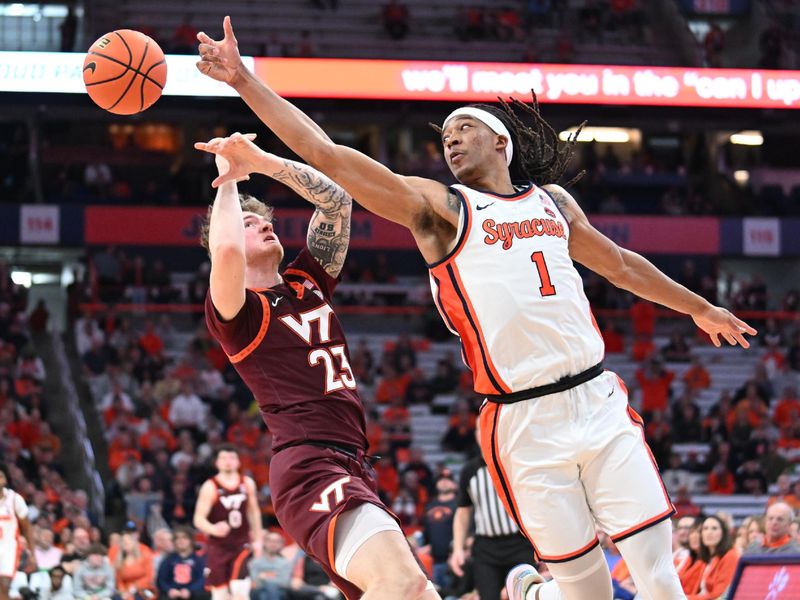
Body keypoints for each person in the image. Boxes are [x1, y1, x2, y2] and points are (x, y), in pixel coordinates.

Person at [195, 17, 756, 600]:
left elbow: (620, 264)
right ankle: (535, 594)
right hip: (521, 418)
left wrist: (700, 308)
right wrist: (243, 81)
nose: (452, 140)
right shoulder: (443, 210)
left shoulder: (554, 202)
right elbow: (328, 157)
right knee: (588, 593)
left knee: (661, 580)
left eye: (465, 129)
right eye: (445, 138)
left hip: (596, 397)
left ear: (501, 142)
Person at [196, 128, 439, 600]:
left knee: (421, 594)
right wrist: (227, 178)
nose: (265, 225)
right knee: (403, 583)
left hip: (350, 462)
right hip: (309, 466)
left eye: (265, 220)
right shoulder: (238, 314)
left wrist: (263, 162)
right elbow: (224, 250)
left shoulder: (306, 282)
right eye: (249, 222)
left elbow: (337, 203)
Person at [449, 431, 534, 600]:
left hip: (519, 543)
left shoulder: (514, 462)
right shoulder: (470, 470)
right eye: (480, 429)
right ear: (476, 435)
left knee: (524, 595)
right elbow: (463, 511)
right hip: (486, 548)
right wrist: (458, 548)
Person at [193, 445, 263, 600]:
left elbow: (253, 512)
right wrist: (212, 528)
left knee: (240, 592)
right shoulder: (210, 486)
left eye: (232, 458)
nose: (228, 462)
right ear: (217, 463)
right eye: (223, 458)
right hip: (218, 547)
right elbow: (198, 519)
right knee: (220, 595)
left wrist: (258, 539)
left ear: (238, 462)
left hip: (241, 544)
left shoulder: (247, 483)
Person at [0, 464, 36, 600]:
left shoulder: (15, 499)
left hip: (8, 550)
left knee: (3, 586)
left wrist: (32, 554)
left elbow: (27, 529)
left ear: (5, 480)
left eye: (1, 476)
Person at [686, 516, 739, 600]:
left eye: (714, 528)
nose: (709, 532)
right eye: (705, 528)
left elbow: (719, 595)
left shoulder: (730, 556)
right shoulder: (706, 557)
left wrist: (686, 598)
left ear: (723, 533)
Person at [156, 526, 209, 600]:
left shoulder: (199, 561)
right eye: (177, 538)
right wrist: (169, 590)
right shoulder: (168, 560)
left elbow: (202, 579)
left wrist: (190, 590)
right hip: (172, 594)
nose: (180, 541)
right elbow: (161, 580)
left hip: (193, 595)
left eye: (184, 538)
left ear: (191, 540)